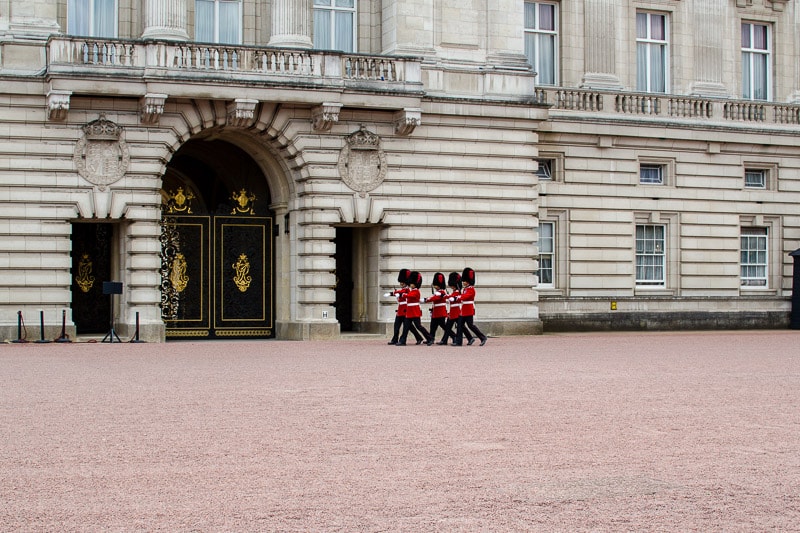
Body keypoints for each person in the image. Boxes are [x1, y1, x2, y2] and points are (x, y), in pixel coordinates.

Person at [452, 267, 487, 347]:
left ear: (468, 281)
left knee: (470, 325)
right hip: (463, 309)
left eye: (464, 281)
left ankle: (482, 337)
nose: (463, 282)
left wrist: (457, 297)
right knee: (460, 325)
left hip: (468, 309)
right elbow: (463, 296)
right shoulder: (465, 289)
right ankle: (458, 342)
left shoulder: (471, 289)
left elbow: (465, 296)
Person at [385, 268, 421, 345]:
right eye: (401, 282)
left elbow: (401, 292)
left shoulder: (408, 290)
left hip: (406, 310)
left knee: (409, 327)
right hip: (400, 309)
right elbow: (399, 292)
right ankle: (395, 339)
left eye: (402, 282)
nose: (401, 283)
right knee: (397, 325)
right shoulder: (404, 289)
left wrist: (392, 293)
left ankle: (417, 338)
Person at [397, 271, 432, 346]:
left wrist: (402, 294)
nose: (411, 285)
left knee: (418, 326)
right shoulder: (412, 290)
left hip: (415, 311)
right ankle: (402, 341)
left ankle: (429, 338)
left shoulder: (416, 291)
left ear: (416, 284)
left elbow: (410, 296)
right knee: (406, 327)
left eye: (412, 284)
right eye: (410, 283)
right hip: (409, 311)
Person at [438, 271, 472, 346]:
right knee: (448, 327)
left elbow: (453, 298)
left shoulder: (457, 292)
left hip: (456, 312)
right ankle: (445, 340)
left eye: (453, 285)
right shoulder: (455, 292)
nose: (451, 287)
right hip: (453, 311)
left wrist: (444, 295)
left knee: (459, 327)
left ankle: (469, 338)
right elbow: (450, 298)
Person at [424, 272, 448, 346]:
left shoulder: (441, 292)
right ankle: (431, 338)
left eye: (436, 285)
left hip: (440, 312)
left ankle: (454, 336)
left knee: (444, 326)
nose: (435, 286)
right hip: (436, 312)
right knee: (433, 326)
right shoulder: (438, 292)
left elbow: (435, 298)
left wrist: (425, 299)